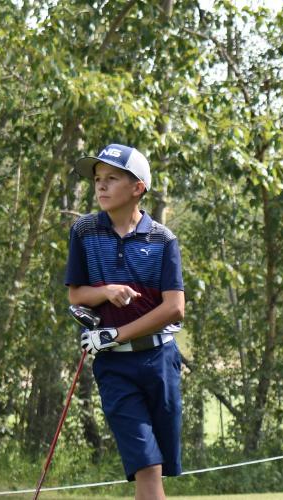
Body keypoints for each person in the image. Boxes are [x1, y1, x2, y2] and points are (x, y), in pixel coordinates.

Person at [64, 143, 186, 500]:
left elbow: (174, 308)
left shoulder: (163, 239)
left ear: (138, 188)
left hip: (160, 361)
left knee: (156, 468)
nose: (101, 186)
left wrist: (116, 333)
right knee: (146, 464)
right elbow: (76, 295)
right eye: (97, 179)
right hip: (115, 367)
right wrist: (106, 291)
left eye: (112, 178)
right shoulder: (84, 231)